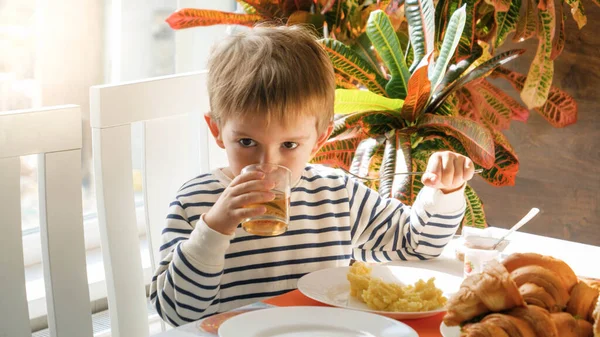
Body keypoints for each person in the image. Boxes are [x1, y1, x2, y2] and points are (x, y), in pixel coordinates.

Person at [149, 24, 475, 326]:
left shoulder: (336, 194)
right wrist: (214, 229)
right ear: (217, 130)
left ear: (320, 139)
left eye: (289, 144)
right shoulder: (196, 203)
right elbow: (177, 314)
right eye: (246, 142)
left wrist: (445, 191)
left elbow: (415, 244)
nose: (267, 162)